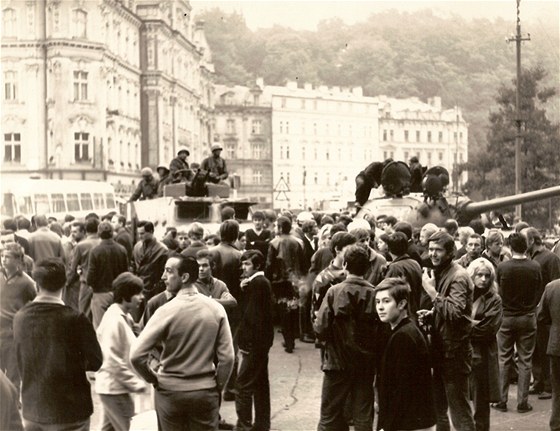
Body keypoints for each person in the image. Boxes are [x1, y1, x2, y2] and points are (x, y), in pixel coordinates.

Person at [130, 255, 235, 431]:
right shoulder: (216, 309)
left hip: (170, 392)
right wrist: (217, 387)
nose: (163, 276)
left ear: (184, 277)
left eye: (169, 271)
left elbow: (135, 355)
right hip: (204, 390)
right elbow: (227, 358)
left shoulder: (165, 311)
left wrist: (154, 379)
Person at [14, 258, 102, 430]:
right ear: (64, 283)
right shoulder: (76, 319)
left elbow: (20, 359)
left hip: (33, 409)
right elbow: (96, 361)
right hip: (70, 411)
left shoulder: (20, 318)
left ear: (36, 285)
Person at [313, 245, 379, 431]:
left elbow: (321, 327)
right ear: (367, 268)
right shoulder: (375, 293)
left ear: (345, 264)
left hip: (336, 361)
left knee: (329, 414)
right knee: (363, 414)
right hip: (365, 363)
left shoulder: (335, 292)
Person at [417, 231, 475, 431]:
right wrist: (433, 314)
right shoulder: (443, 271)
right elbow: (449, 309)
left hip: (454, 353)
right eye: (430, 249)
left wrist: (432, 291)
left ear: (450, 252)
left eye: (438, 250)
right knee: (439, 409)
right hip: (442, 349)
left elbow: (455, 313)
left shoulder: (458, 276)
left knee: (459, 412)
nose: (432, 254)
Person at [375, 278, 436, 431]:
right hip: (414, 421)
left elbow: (402, 389)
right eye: (377, 302)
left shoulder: (402, 337)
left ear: (401, 304)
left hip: (408, 423)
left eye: (386, 301)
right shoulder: (407, 330)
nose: (380, 307)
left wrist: (387, 426)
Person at [492, 232, 541, 414]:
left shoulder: (503, 267)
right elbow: (538, 290)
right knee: (525, 360)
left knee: (504, 359)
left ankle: (502, 400)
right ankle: (522, 402)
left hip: (506, 317)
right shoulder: (535, 266)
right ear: (526, 246)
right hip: (528, 317)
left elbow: (497, 291)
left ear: (510, 248)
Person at [96, 273, 146, 431]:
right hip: (114, 388)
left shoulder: (123, 317)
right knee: (130, 428)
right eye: (137, 293)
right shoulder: (114, 320)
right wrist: (135, 383)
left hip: (112, 388)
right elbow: (111, 360)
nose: (141, 297)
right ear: (125, 296)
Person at [235, 250, 274, 431]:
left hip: (254, 342)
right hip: (262, 342)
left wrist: (243, 340)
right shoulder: (259, 282)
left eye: (247, 264)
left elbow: (251, 316)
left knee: (243, 384)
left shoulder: (257, 284)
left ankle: (244, 426)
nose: (243, 268)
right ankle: (262, 424)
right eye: (242, 264)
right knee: (260, 383)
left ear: (257, 266)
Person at [523, 227, 560, 400]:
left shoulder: (550, 258)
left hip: (545, 312)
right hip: (533, 311)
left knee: (545, 349)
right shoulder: (531, 256)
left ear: (532, 240)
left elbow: (555, 282)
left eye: (524, 240)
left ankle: (548, 385)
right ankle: (538, 381)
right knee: (536, 349)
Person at [467, 258, 503, 431]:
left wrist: (464, 326)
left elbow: (487, 329)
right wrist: (473, 323)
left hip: (482, 355)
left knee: (481, 402)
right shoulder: (465, 295)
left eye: (487, 275)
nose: (483, 279)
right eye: (479, 275)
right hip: (465, 353)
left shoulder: (494, 299)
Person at [0, 243, 36, 393]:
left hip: (13, 333)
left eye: (7, 257)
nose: (3, 260)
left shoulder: (26, 282)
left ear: (18, 260)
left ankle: (13, 404)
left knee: (13, 372)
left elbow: (35, 304)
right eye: (2, 256)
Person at [266, 216, 304, 354]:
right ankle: (292, 338)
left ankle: (288, 341)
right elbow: (303, 262)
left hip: (280, 281)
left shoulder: (274, 243)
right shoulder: (298, 242)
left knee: (283, 310)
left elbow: (269, 265)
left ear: (280, 227)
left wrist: (268, 279)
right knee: (293, 308)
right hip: (295, 280)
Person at [87, 222, 129, 328]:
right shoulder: (121, 249)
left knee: (100, 328)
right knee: (117, 326)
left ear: (99, 233)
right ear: (112, 233)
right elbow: (126, 273)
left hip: (100, 294)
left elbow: (90, 277)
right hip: (118, 293)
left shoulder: (95, 251)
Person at [311, 232, 357, 327]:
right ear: (337, 249)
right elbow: (317, 314)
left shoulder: (356, 272)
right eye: (349, 249)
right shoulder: (323, 279)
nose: (353, 253)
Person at [66, 217, 100, 321]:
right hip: (101, 284)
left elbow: (72, 268)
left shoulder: (81, 246)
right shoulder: (102, 242)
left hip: (86, 283)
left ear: (85, 230)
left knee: (84, 311)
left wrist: (67, 282)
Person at [384, 232, 423, 321]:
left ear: (389, 249)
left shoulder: (395, 267)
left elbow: (389, 292)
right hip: (414, 311)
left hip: (402, 314)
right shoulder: (414, 263)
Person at [537, 279, 560, 431]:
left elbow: (541, 316)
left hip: (557, 344)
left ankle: (557, 424)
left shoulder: (552, 287)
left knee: (557, 389)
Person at [133, 221, 168, 303]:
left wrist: (157, 288)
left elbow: (163, 273)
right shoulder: (137, 247)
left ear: (151, 232)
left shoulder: (162, 250)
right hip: (138, 289)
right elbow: (133, 265)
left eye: (142, 233)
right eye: (138, 234)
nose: (140, 236)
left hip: (153, 291)